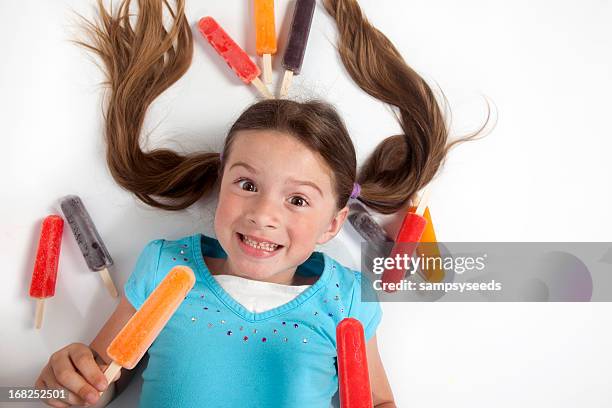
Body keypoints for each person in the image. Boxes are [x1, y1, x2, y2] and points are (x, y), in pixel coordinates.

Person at [36, 0, 487, 406]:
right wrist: (72, 382)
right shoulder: (165, 268)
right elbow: (101, 377)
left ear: (333, 225)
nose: (264, 214)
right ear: (220, 184)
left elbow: (377, 400)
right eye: (248, 185)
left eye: (297, 199)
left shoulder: (345, 297)